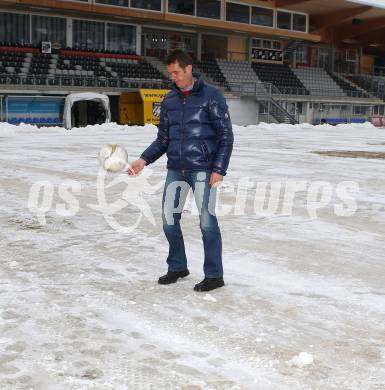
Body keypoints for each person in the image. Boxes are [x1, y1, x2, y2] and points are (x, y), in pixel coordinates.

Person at [128, 50, 233, 292]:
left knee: (207, 221)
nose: (173, 77)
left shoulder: (211, 96)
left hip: (204, 169)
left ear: (188, 69)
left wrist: (219, 169)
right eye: (170, 73)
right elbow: (163, 138)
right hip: (176, 168)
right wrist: (143, 160)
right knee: (168, 220)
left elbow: (226, 136)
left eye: (176, 72)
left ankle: (214, 275)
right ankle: (177, 266)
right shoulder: (170, 100)